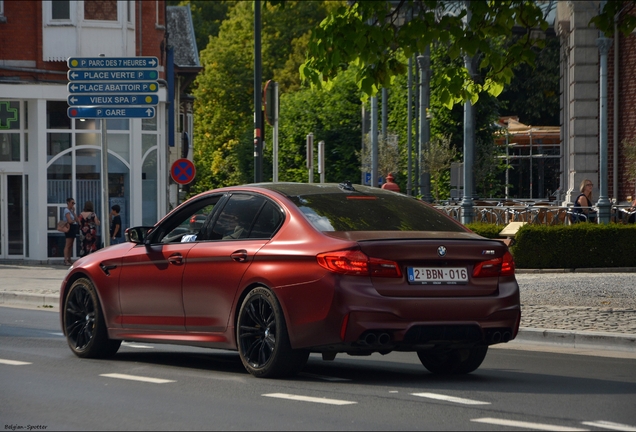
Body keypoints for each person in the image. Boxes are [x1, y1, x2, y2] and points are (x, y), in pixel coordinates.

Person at [63, 197, 78, 266]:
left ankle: (69, 259)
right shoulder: (66, 211)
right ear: (68, 203)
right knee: (68, 244)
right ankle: (66, 260)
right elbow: (69, 220)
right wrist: (74, 221)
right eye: (72, 203)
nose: (73, 204)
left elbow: (76, 218)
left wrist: (74, 212)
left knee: (71, 244)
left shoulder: (71, 211)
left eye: (74, 203)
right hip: (69, 228)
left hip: (73, 228)